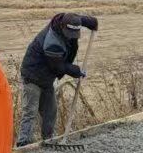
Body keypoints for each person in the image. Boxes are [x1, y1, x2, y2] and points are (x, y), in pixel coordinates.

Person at [17, 11, 98, 145]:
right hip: (32, 76)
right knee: (30, 111)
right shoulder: (52, 43)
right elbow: (58, 67)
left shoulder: (68, 20)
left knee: (50, 111)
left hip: (47, 78)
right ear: (62, 27)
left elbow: (78, 19)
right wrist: (76, 71)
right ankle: (23, 145)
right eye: (69, 34)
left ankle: (49, 140)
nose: (71, 37)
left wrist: (92, 22)